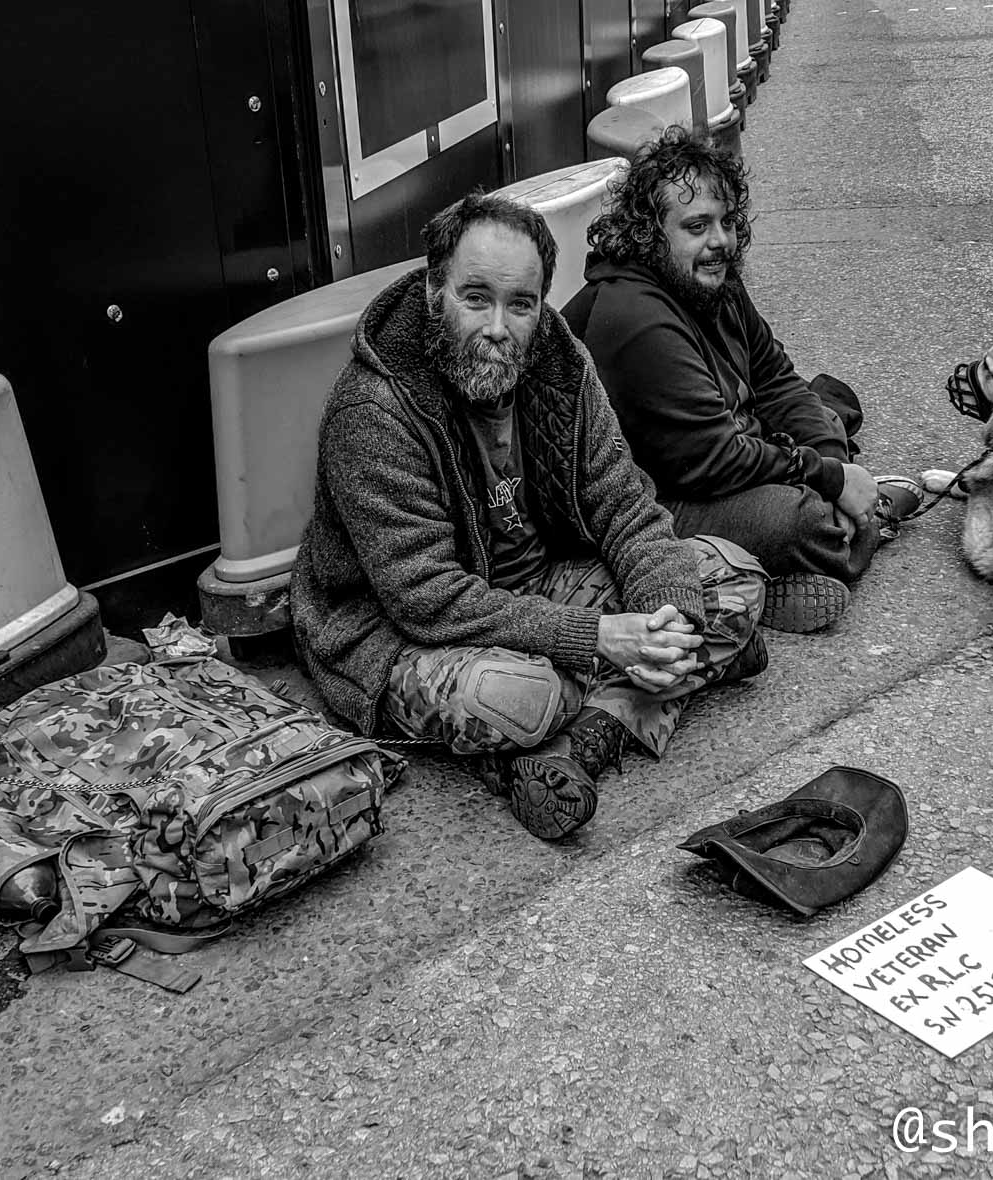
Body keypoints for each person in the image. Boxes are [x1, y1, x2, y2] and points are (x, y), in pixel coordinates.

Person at [290, 193, 768, 841]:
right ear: (435, 290)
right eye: (475, 297)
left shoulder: (560, 366)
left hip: (540, 586)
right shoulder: (374, 411)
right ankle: (653, 689)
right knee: (514, 699)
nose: (497, 327)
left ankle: (581, 743)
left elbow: (623, 503)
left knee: (728, 580)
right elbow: (426, 599)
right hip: (399, 630)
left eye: (521, 304)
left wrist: (668, 618)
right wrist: (604, 638)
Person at [562, 126, 920, 633]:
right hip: (658, 500)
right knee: (798, 520)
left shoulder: (711, 279)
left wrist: (833, 463)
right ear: (650, 233)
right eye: (696, 226)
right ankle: (850, 529)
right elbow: (716, 463)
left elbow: (775, 377)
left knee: (821, 413)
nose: (720, 242)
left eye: (727, 222)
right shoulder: (637, 318)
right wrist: (834, 481)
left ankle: (811, 544)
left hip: (729, 452)